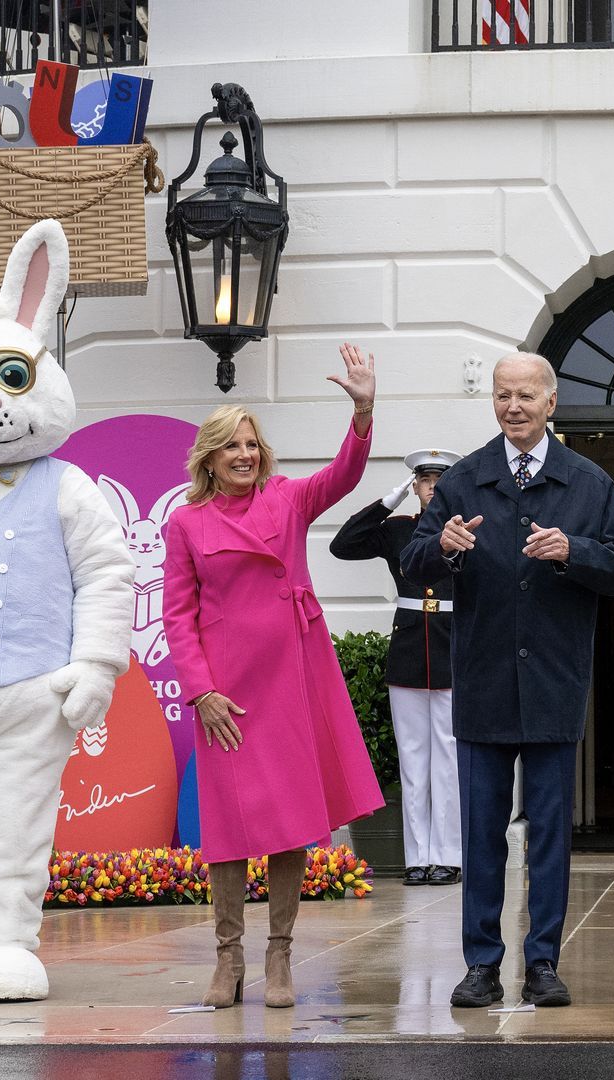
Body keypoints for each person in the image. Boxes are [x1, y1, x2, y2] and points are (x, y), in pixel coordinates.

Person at [402, 352, 614, 1010]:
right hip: (481, 684)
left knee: (547, 838)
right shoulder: (463, 480)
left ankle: (543, 964)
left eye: (526, 396)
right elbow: (415, 556)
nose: (514, 406)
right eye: (503, 395)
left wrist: (575, 551)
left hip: (554, 687)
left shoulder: (587, 483)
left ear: (551, 402)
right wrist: (444, 545)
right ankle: (480, 964)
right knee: (480, 836)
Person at [162, 344, 386, 1010]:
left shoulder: (287, 502)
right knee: (228, 831)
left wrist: (364, 409)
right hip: (227, 693)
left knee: (290, 824)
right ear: (209, 457)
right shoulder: (185, 524)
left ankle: (280, 957)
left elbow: (344, 476)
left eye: (253, 445)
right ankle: (227, 960)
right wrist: (201, 690)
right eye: (232, 446)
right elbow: (178, 616)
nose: (245, 455)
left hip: (290, 679)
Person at [331, 448, 465, 888]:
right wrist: (388, 500)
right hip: (409, 650)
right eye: (425, 481)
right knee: (413, 760)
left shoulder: (465, 532)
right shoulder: (398, 530)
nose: (433, 488)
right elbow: (343, 545)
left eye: (440, 481)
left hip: (450, 649)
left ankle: (447, 854)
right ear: (416, 486)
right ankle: (417, 858)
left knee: (447, 758)